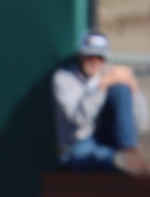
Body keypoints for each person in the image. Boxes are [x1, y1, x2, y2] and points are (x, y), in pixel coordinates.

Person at [54, 30, 149, 177]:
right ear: (81, 55)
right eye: (89, 56)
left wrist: (133, 87)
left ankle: (130, 151)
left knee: (121, 89)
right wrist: (102, 87)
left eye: (99, 57)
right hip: (79, 144)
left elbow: (142, 124)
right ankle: (127, 162)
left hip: (112, 141)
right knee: (92, 155)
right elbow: (79, 119)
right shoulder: (64, 79)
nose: (94, 61)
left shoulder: (111, 75)